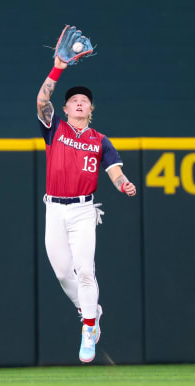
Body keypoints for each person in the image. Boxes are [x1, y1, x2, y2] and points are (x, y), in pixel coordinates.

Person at [36, 54, 137, 363]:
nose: (79, 103)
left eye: (84, 100)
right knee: (64, 271)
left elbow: (115, 172)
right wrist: (58, 68)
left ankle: (89, 327)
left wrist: (123, 184)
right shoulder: (55, 129)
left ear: (91, 109)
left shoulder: (101, 141)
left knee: (85, 270)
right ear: (65, 109)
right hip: (54, 209)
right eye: (74, 100)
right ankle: (89, 309)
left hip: (83, 210)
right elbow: (42, 101)